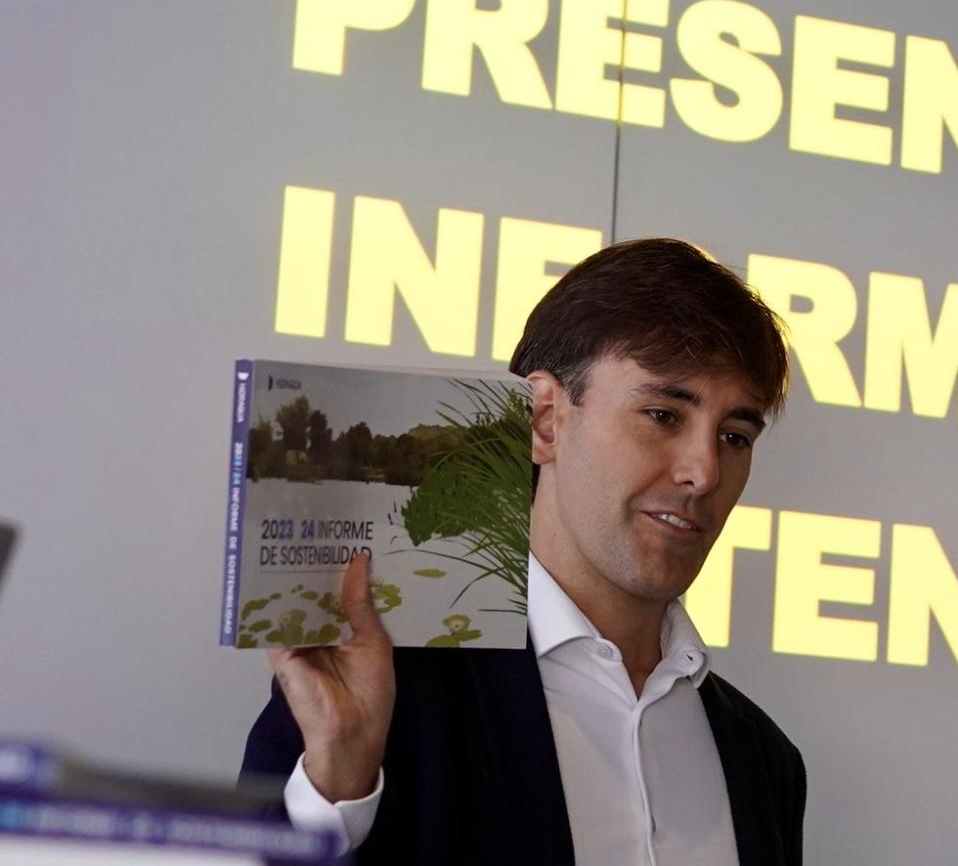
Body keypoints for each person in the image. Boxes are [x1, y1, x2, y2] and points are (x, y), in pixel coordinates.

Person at [242, 238, 805, 865]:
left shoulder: (764, 761)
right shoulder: (384, 694)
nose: (704, 472)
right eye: (662, 415)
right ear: (544, 419)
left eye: (735, 436)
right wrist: (338, 781)